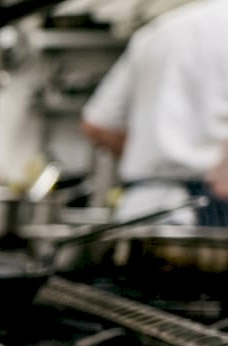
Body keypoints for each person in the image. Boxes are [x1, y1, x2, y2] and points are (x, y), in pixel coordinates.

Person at [80, 0, 228, 227]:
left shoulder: (160, 31)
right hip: (210, 210)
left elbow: (97, 124)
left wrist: (153, 156)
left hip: (143, 208)